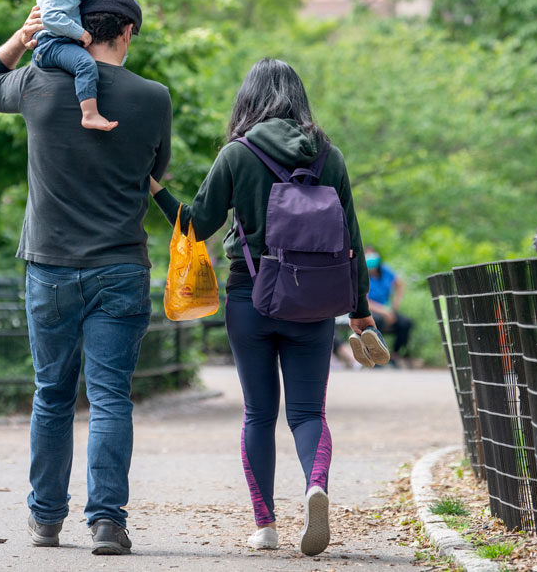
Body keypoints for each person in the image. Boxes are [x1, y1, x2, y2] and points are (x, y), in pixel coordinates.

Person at [0, 0, 171, 556]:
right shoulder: (153, 97)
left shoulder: (36, 82)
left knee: (52, 395)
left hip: (50, 267)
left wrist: (25, 35)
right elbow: (157, 170)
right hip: (120, 266)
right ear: (126, 32)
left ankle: (46, 519)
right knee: (110, 399)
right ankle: (107, 522)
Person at [148, 58, 375, 556]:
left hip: (250, 297)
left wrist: (157, 190)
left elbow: (197, 225)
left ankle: (265, 524)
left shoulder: (237, 153)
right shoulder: (328, 157)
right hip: (314, 302)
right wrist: (360, 312)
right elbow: (352, 239)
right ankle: (316, 484)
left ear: (248, 99)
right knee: (307, 412)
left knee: (258, 413)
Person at [33, 0, 121, 132]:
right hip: (50, 44)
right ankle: (90, 114)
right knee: (85, 64)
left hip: (61, 44)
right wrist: (80, 33)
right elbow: (49, 17)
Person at [364, 246, 413, 365]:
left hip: (387, 309)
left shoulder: (386, 271)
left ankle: (395, 356)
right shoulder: (361, 274)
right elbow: (364, 300)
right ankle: (375, 356)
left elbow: (399, 285)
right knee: (376, 322)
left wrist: (395, 305)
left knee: (405, 323)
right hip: (371, 310)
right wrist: (384, 311)